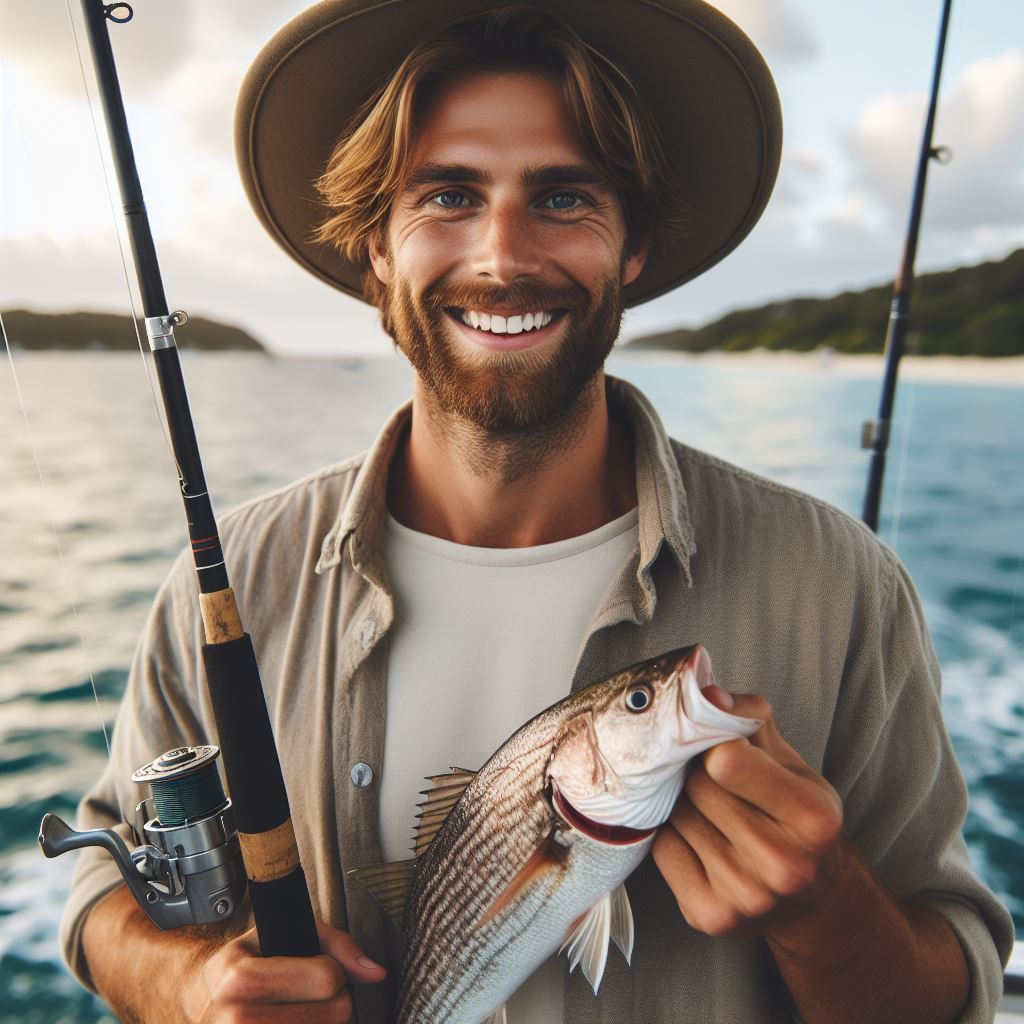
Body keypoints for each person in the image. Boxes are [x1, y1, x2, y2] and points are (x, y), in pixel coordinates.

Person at [60, 2, 1014, 1022]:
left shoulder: (837, 584)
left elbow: (954, 976)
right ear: (375, 250)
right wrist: (184, 983)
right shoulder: (235, 575)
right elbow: (100, 895)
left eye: (563, 197)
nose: (503, 254)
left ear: (632, 246)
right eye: (447, 196)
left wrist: (826, 910)